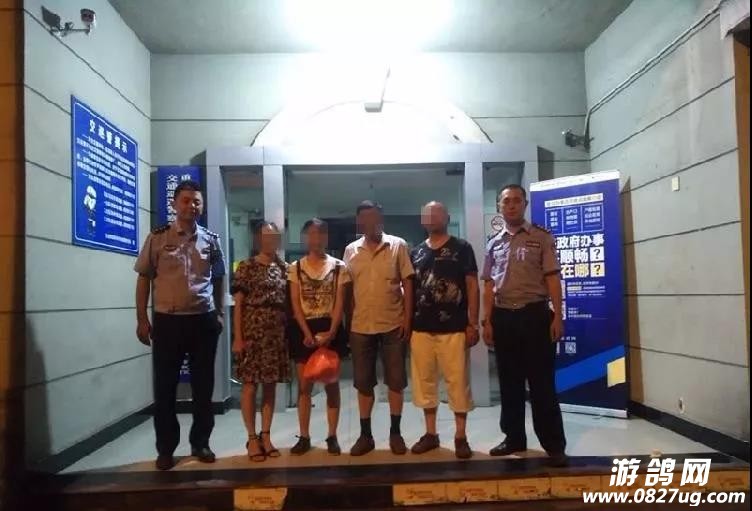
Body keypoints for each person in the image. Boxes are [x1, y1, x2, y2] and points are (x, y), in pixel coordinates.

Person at [134, 179, 226, 471]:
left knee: (203, 388)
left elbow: (219, 277)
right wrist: (141, 319)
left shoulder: (211, 240)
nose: (192, 206)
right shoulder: (157, 238)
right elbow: (144, 278)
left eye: (196, 201)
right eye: (186, 200)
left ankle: (201, 443)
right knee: (165, 389)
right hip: (168, 322)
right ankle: (166, 449)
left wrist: (220, 312)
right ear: (174, 204)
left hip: (203, 322)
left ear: (202, 205)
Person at [481, 184, 568, 467]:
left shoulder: (541, 237)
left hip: (535, 316)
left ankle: (553, 445)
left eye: (517, 201)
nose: (511, 205)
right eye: (506, 201)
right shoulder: (493, 243)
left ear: (525, 205)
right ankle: (514, 438)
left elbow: (553, 278)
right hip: (503, 317)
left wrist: (558, 316)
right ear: (499, 206)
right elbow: (488, 285)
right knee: (510, 383)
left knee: (542, 383)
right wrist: (486, 321)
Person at [343, 200, 415, 456]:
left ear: (381, 219)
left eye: (374, 217)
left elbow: (408, 284)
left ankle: (396, 433)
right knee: (363, 383)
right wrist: (347, 323)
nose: (370, 222)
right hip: (360, 325)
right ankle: (366, 436)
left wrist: (407, 320)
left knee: (396, 381)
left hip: (393, 323)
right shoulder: (351, 250)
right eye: (365, 218)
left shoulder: (398, 245)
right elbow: (347, 289)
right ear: (359, 221)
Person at [409, 202, 479, 460]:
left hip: (454, 328)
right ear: (422, 220)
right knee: (424, 382)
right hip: (421, 329)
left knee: (457, 382)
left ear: (447, 218)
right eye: (427, 214)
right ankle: (431, 434)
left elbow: (472, 286)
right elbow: (410, 291)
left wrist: (473, 323)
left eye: (437, 213)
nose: (432, 217)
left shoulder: (462, 248)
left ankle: (460, 436)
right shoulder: (415, 252)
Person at [288, 218, 350, 456]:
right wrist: (307, 334)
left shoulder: (339, 267)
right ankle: (304, 436)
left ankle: (332, 436)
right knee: (304, 386)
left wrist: (331, 333)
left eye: (321, 233)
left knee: (331, 384)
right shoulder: (295, 268)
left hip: (329, 327)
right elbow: (295, 304)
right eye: (312, 233)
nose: (317, 238)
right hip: (303, 329)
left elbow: (340, 303)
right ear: (305, 237)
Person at [231, 221, 289, 462]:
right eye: (266, 236)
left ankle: (266, 435)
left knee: (270, 385)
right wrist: (238, 338)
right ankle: (252, 438)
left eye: (274, 236)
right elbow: (238, 305)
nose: (270, 241)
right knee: (250, 385)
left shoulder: (284, 267)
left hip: (276, 335)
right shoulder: (246, 267)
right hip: (252, 333)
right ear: (258, 239)